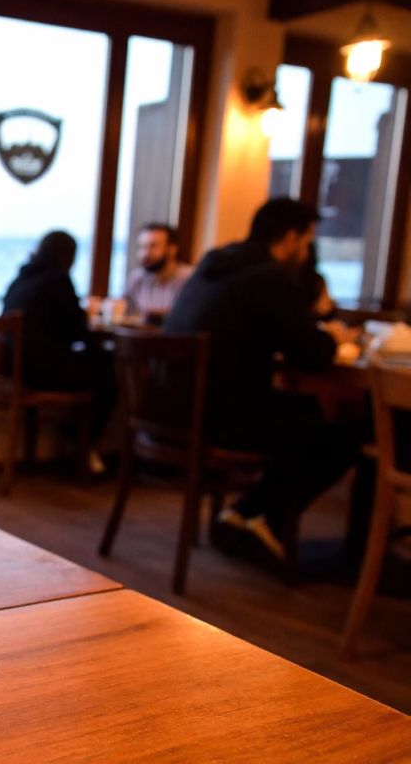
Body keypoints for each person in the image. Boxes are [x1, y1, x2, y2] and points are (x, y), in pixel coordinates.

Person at [165, 198, 360, 562]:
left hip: (175, 410)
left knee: (310, 415)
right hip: (222, 420)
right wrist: (334, 336)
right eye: (306, 243)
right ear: (289, 237)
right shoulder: (269, 277)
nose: (305, 254)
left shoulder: (215, 263)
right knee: (347, 432)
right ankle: (267, 517)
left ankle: (244, 514)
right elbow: (312, 354)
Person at [1, 230, 114, 471]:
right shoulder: (57, 280)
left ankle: (75, 441)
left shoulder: (21, 278)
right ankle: (82, 444)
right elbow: (77, 330)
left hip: (13, 366)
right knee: (108, 373)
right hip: (41, 370)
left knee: (97, 367)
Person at [122, 222, 192, 323]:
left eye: (152, 246)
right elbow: (123, 312)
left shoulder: (189, 278)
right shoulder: (136, 278)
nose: (145, 253)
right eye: (142, 247)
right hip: (140, 337)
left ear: (172, 250)